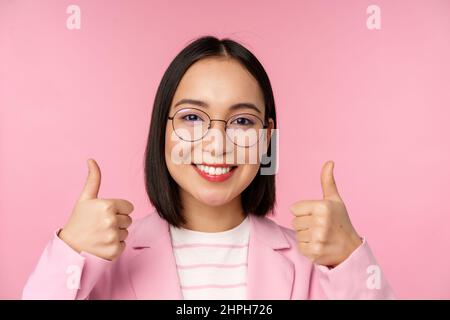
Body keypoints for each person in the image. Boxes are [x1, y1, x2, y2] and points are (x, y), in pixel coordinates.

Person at [22, 35, 395, 299]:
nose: (217, 144)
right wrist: (69, 251)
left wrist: (350, 257)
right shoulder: (101, 259)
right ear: (162, 131)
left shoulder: (317, 263)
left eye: (243, 122)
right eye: (192, 117)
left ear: (267, 139)